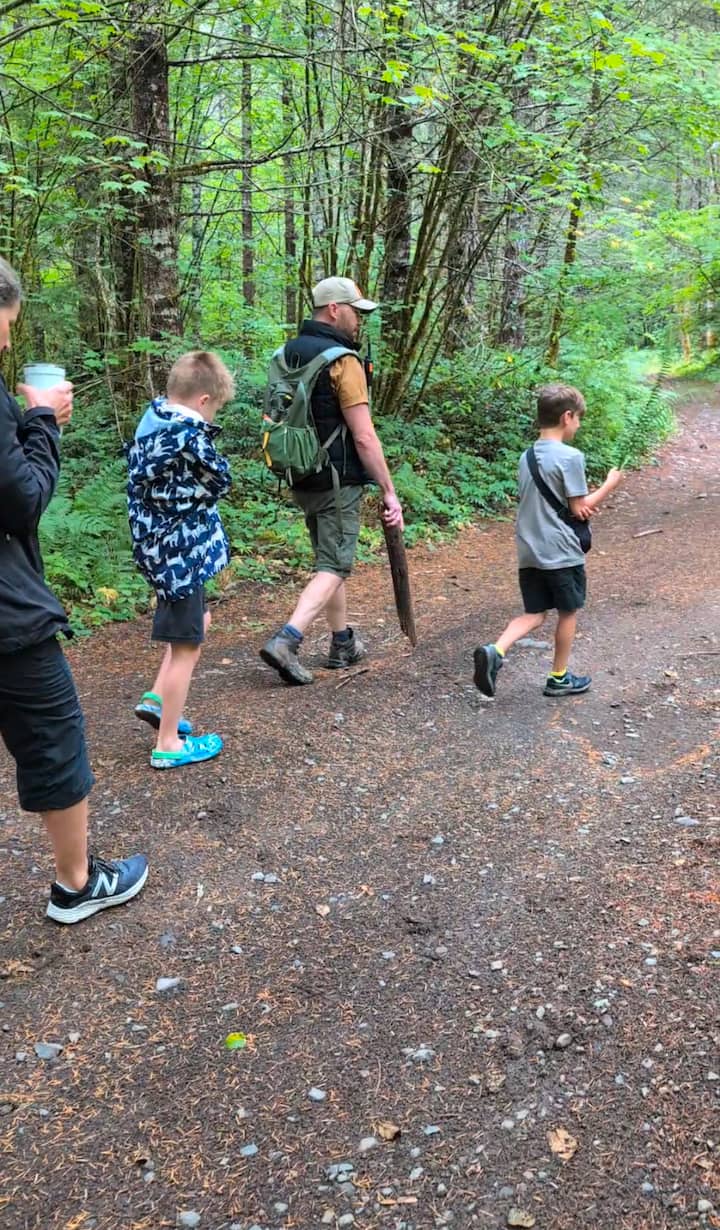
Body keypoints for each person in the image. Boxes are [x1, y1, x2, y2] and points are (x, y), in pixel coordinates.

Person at [0, 256, 148, 924]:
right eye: (5, 324)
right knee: (54, 730)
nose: (8, 341)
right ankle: (77, 884)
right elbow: (22, 500)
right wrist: (43, 423)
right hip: (9, 615)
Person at [260, 276, 403, 685]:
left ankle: (342, 642)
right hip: (337, 479)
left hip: (299, 472)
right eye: (355, 312)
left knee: (328, 561)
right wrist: (389, 491)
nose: (359, 321)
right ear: (334, 310)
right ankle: (287, 639)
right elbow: (364, 435)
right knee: (335, 565)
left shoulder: (285, 353)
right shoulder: (343, 361)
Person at [473, 383, 623, 699]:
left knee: (535, 612)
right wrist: (610, 484)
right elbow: (579, 507)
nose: (578, 425)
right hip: (561, 549)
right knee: (568, 611)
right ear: (567, 417)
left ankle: (495, 650)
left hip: (529, 549)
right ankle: (558, 678)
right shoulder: (571, 457)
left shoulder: (526, 457)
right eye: (578, 419)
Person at [127, 350, 235, 768]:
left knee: (196, 622)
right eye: (215, 408)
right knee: (187, 646)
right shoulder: (189, 438)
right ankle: (168, 744)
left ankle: (157, 701)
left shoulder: (152, 421)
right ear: (204, 400)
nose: (213, 416)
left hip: (160, 550)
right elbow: (220, 479)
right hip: (182, 555)